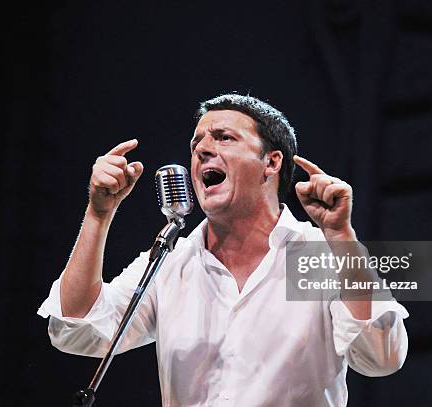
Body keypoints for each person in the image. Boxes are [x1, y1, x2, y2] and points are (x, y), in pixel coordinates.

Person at [38, 94, 409, 406]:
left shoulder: (318, 257)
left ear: (271, 162)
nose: (202, 149)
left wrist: (341, 235)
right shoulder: (171, 261)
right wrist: (99, 214)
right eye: (196, 143)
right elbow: (75, 328)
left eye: (223, 137)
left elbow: (380, 357)